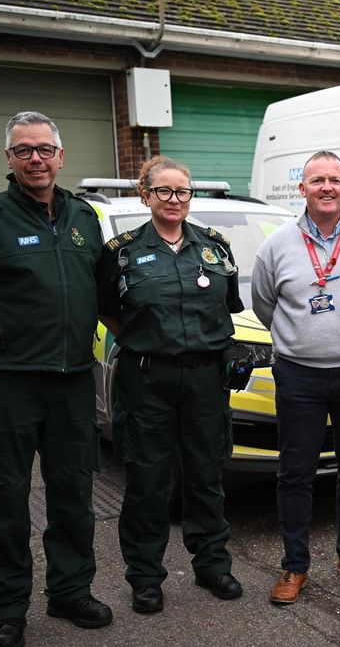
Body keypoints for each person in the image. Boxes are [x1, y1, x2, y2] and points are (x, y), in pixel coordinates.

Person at [0, 111, 112, 647]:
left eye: (44, 149)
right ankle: (8, 608)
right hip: (6, 387)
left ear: (60, 157)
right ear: (9, 160)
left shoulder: (85, 218)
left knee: (73, 496)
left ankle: (69, 592)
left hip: (71, 386)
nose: (35, 158)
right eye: (23, 150)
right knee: (5, 499)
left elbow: (101, 292)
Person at [97, 155, 244, 615]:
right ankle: (145, 577)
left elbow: (228, 307)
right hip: (148, 378)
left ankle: (212, 565)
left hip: (205, 378)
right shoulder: (120, 252)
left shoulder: (215, 247)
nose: (174, 199)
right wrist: (148, 343)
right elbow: (106, 311)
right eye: (163, 191)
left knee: (206, 474)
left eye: (182, 191)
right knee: (147, 479)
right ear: (146, 195)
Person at [250, 151, 340, 604]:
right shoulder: (276, 244)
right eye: (316, 181)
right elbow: (265, 304)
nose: (326, 187)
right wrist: (304, 339)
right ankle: (294, 566)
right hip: (299, 376)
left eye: (334, 180)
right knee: (295, 472)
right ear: (302, 189)